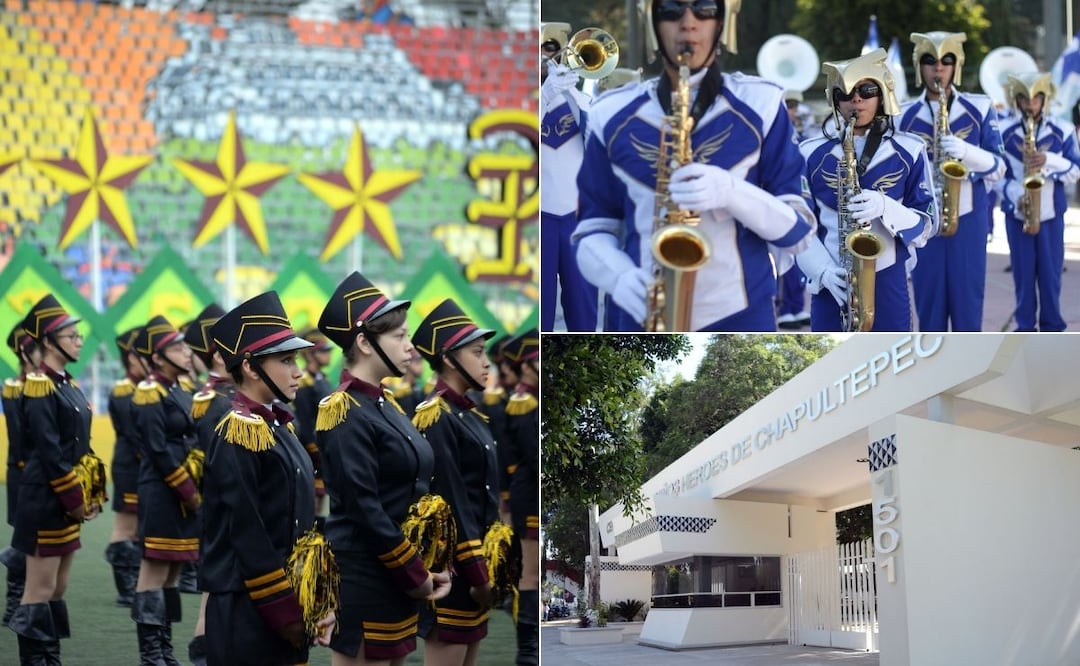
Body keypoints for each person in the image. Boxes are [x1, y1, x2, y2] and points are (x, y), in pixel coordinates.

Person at [573, 0, 815, 332]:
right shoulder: (609, 113)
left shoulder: (763, 103)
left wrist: (731, 192)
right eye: (671, 9)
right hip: (640, 313)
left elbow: (799, 233)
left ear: (722, 22)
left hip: (741, 314)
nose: (688, 22)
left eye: (705, 8)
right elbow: (591, 229)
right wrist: (618, 277)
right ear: (653, 23)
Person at [315, 272, 451, 665]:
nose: (410, 347)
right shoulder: (343, 409)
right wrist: (415, 573)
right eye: (400, 336)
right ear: (364, 343)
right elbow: (364, 508)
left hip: (399, 575)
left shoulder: (384, 404)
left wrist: (426, 564)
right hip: (366, 576)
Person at [200, 291, 336, 665]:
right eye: (286, 360)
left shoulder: (278, 428)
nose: (298, 371)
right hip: (250, 609)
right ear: (249, 367)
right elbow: (248, 533)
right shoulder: (238, 431)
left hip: (285, 603)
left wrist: (313, 599)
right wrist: (285, 611)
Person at [796, 48, 936, 332]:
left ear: (882, 94)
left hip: (888, 277)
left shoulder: (910, 150)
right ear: (834, 99)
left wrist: (886, 206)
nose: (856, 99)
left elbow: (926, 226)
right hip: (831, 280)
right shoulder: (808, 153)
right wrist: (820, 270)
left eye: (866, 90)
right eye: (845, 93)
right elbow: (797, 225)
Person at [9, 295, 103, 664]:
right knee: (40, 588)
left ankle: (49, 657)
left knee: (58, 587)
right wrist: (75, 500)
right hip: (46, 500)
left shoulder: (67, 384)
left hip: (66, 500)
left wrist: (91, 493)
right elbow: (49, 452)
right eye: (71, 336)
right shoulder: (39, 386)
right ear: (48, 342)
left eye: (78, 335)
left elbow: (81, 446)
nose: (79, 341)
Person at [898, 32, 1006, 331]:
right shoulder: (902, 114)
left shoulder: (980, 106)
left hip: (968, 218)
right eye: (929, 60)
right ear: (918, 66)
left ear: (956, 65)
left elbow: (999, 167)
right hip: (923, 220)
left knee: (968, 307)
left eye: (946, 60)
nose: (938, 67)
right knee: (928, 307)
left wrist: (967, 152)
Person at [410, 299, 499, 666]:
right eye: (477, 352)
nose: (486, 362)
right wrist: (477, 572)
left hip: (477, 563)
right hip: (454, 566)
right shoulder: (437, 416)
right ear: (448, 359)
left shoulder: (469, 414)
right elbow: (451, 501)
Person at [130, 315, 200, 664]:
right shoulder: (149, 392)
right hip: (162, 490)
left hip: (182, 492)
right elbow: (157, 450)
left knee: (172, 573)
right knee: (154, 570)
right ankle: (151, 654)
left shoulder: (179, 389)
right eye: (176, 348)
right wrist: (189, 491)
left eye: (184, 347)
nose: (186, 353)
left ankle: (165, 649)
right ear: (157, 357)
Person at [999, 72, 1080, 331]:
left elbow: (1075, 171)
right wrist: (1015, 194)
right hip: (1017, 214)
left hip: (1050, 216)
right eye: (1024, 99)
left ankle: (1052, 327)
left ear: (1044, 99)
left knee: (1050, 277)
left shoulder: (1062, 130)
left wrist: (1048, 161)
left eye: (1036, 99)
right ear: (1016, 100)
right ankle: (1024, 327)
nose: (1030, 105)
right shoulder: (1003, 131)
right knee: (1022, 277)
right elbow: (996, 174)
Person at [541, 21, 598, 332]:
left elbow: (597, 145)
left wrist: (570, 92)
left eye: (550, 48)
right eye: (539, 49)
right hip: (540, 220)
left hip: (577, 218)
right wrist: (544, 95)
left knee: (584, 313)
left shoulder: (581, 100)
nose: (544, 55)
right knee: (540, 315)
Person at [182, 303, 230, 666]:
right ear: (217, 355)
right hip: (225, 510)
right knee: (214, 597)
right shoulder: (213, 400)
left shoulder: (227, 395)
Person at [500, 328, 539, 665]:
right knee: (530, 572)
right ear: (526, 366)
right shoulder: (523, 402)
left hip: (531, 491)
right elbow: (531, 453)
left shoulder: (533, 398)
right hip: (528, 494)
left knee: (532, 572)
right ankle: (528, 651)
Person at [104, 326, 148, 609]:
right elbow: (135, 435)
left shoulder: (145, 388)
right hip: (130, 466)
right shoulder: (124, 390)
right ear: (132, 358)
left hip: (141, 465)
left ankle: (135, 580)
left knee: (139, 527)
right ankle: (126, 586)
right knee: (125, 527)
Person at [2, 321, 39, 626]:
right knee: (23, 539)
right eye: (38, 349)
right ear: (25, 354)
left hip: (41, 473)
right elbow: (20, 440)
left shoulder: (49, 384)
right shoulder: (14, 387)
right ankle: (15, 601)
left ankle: (31, 598)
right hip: (24, 472)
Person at [775, 91, 813, 330]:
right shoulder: (775, 136)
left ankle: (797, 306)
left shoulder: (801, 135)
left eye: (795, 106)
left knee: (802, 256)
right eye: (789, 106)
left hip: (802, 198)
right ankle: (784, 309)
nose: (794, 111)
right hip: (782, 199)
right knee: (785, 256)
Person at [292, 328, 334, 530]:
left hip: (326, 451)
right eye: (322, 351)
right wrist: (315, 451)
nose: (328, 355)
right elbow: (305, 422)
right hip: (314, 453)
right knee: (315, 508)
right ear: (310, 355)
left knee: (325, 506)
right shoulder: (304, 384)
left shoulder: (322, 379)